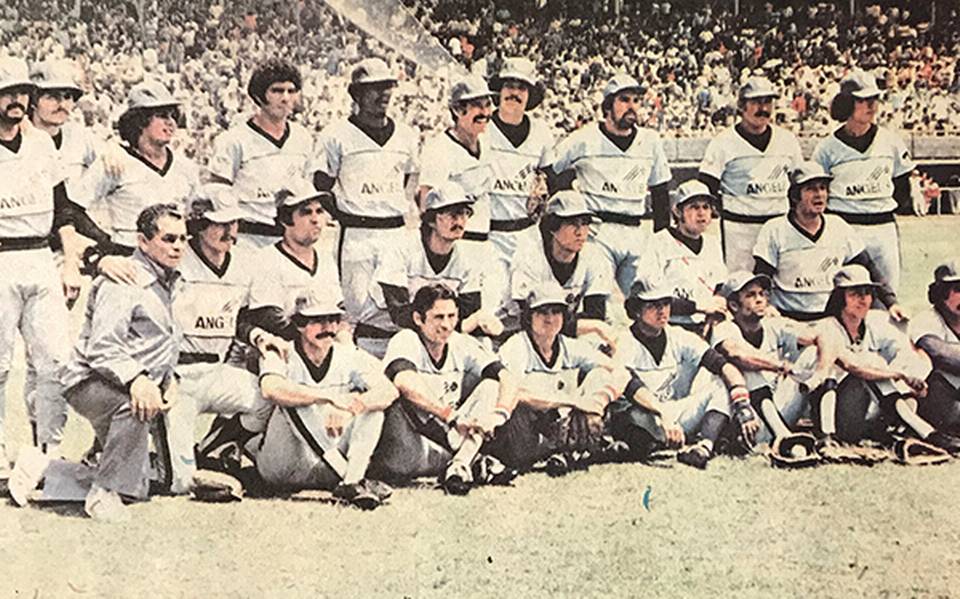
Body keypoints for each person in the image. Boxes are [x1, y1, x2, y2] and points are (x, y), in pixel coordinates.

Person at [9, 204, 186, 521]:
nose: (177, 247)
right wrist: (139, 381)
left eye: (183, 239)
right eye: (168, 238)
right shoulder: (123, 280)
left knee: (138, 486)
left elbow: (164, 343)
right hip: (89, 381)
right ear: (143, 241)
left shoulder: (173, 280)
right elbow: (102, 348)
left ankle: (44, 470)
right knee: (133, 407)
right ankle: (103, 496)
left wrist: (169, 380)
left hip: (126, 382)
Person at [160, 192, 282, 493]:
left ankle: (210, 448)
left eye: (234, 222)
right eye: (219, 223)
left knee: (268, 401)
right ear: (199, 225)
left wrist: (257, 335)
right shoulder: (177, 258)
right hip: (178, 375)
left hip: (217, 371)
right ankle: (151, 463)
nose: (229, 230)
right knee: (181, 484)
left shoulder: (244, 263)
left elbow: (235, 316)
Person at [256, 289, 397, 510]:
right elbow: (271, 389)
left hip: (328, 469)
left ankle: (352, 480)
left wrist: (353, 406)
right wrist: (328, 398)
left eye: (333, 320)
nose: (328, 328)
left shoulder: (347, 354)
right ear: (300, 324)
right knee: (294, 399)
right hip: (285, 466)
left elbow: (388, 390)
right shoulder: (282, 351)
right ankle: (353, 480)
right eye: (318, 321)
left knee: (372, 407)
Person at [371, 284, 518, 495]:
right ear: (418, 319)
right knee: (407, 391)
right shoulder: (406, 339)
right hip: (411, 447)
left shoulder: (460, 342)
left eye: (452, 316)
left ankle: (459, 465)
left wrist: (498, 416)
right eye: (438, 317)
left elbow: (507, 378)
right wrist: (452, 417)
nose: (447, 325)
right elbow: (404, 381)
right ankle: (473, 460)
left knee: (491, 386)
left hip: (450, 440)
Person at [0, 57, 72, 475]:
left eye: (22, 92)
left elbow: (62, 207)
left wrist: (70, 263)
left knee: (54, 361)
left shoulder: (42, 143)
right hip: (1, 257)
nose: (17, 100)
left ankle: (49, 453)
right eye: (7, 93)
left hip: (40, 257)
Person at [311, 58, 420, 331]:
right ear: (357, 93)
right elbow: (321, 184)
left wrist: (395, 205)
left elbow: (410, 177)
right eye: (374, 87)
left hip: (395, 231)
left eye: (387, 86)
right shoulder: (336, 135)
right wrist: (348, 214)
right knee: (357, 308)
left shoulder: (406, 135)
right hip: (356, 234)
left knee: (398, 306)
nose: (383, 94)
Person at [606, 278, 759, 470]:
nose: (662, 310)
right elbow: (631, 387)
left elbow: (723, 365)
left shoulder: (680, 336)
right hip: (642, 415)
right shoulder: (623, 341)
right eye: (653, 305)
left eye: (665, 303)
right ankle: (645, 447)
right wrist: (663, 414)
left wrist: (742, 404)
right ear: (637, 310)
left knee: (720, 385)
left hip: (674, 414)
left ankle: (703, 446)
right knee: (633, 416)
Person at [809, 266, 960, 456]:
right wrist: (899, 375)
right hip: (832, 415)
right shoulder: (827, 326)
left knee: (882, 363)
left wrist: (911, 382)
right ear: (840, 298)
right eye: (854, 293)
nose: (862, 299)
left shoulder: (875, 322)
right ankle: (826, 440)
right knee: (871, 361)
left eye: (867, 293)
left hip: (863, 413)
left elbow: (906, 352)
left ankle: (914, 431)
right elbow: (853, 366)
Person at [546, 73, 672, 296]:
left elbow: (661, 193)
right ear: (607, 106)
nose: (631, 106)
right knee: (597, 297)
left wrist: (662, 241)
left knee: (646, 298)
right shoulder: (583, 138)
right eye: (624, 100)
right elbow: (550, 170)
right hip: (597, 230)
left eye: (635, 100)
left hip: (635, 228)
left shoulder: (650, 141)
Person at [66, 80, 201, 271]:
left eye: (173, 116)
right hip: (129, 258)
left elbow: (194, 219)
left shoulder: (186, 168)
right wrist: (105, 242)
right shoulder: (115, 161)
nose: (170, 122)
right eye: (161, 115)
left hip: (174, 262)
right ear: (140, 121)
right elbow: (73, 208)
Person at [494, 282, 627, 475]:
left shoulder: (569, 346)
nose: (550, 318)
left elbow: (621, 372)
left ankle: (570, 450)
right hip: (523, 436)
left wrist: (596, 403)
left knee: (600, 375)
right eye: (542, 311)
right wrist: (575, 402)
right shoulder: (516, 346)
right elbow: (514, 393)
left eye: (556, 311)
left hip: (558, 425)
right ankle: (576, 451)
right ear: (529, 316)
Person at [753, 162, 903, 321]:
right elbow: (761, 277)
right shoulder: (775, 229)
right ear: (795, 195)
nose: (819, 194)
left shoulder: (838, 226)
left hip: (832, 318)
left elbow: (869, 267)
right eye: (811, 189)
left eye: (823, 188)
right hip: (788, 316)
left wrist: (891, 303)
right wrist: (766, 306)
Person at [811, 70, 914, 294]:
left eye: (874, 99)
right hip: (845, 226)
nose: (871, 106)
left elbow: (902, 189)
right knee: (844, 295)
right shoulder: (827, 148)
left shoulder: (891, 141)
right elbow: (817, 193)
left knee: (887, 295)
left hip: (883, 227)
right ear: (847, 104)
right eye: (863, 100)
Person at [366, 182, 498, 358]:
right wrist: (465, 324)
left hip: (437, 333)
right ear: (431, 220)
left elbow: (469, 310)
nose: (459, 221)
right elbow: (400, 314)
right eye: (452, 214)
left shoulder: (467, 257)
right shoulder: (401, 248)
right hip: (386, 333)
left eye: (465, 214)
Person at [698, 77, 803, 272]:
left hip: (779, 225)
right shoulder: (723, 142)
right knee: (741, 286)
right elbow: (706, 187)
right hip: (740, 229)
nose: (763, 108)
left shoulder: (787, 140)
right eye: (756, 102)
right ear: (742, 106)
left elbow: (798, 184)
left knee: (781, 287)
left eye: (767, 102)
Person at [710, 271, 826, 447]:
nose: (760, 299)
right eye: (751, 295)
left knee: (812, 353)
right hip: (748, 419)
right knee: (749, 369)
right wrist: (779, 365)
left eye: (762, 294)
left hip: (778, 407)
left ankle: (826, 435)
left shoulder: (773, 324)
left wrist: (821, 372)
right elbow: (737, 354)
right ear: (733, 305)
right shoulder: (725, 328)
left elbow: (821, 336)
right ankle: (783, 437)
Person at [209, 58, 313, 249]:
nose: (285, 98)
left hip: (288, 238)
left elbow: (306, 186)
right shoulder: (234, 139)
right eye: (277, 91)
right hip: (248, 237)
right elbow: (217, 191)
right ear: (258, 96)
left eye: (291, 91)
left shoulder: (303, 137)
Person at [485, 57, 554, 301]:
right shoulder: (481, 127)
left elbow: (551, 181)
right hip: (489, 234)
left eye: (522, 87)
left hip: (526, 233)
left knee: (530, 303)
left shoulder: (541, 132)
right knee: (490, 305)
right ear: (499, 91)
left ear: (530, 95)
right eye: (509, 85)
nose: (514, 92)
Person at [507, 191, 615, 347]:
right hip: (519, 330)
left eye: (584, 223)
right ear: (552, 226)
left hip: (560, 329)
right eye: (572, 224)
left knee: (601, 340)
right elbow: (529, 320)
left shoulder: (594, 256)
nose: (580, 232)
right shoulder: (529, 255)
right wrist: (592, 326)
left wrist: (594, 327)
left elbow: (596, 314)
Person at [238, 185, 339, 343]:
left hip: (319, 344)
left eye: (319, 211)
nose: (315, 219)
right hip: (281, 345)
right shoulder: (266, 259)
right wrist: (307, 340)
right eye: (306, 212)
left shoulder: (326, 259)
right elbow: (269, 318)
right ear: (286, 219)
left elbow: (338, 307)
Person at [639, 179, 727, 334]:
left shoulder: (712, 243)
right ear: (678, 212)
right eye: (694, 207)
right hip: (669, 326)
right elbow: (652, 296)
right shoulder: (659, 241)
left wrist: (716, 309)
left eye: (706, 207)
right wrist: (698, 306)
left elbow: (720, 286)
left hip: (705, 325)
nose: (701, 213)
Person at [909, 262, 960, 434]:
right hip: (939, 400)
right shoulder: (926, 320)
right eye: (958, 289)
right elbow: (940, 354)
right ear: (941, 292)